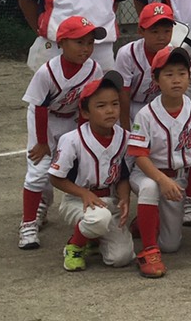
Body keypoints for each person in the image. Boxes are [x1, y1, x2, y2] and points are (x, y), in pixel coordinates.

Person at [127, 45, 191, 278]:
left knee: (171, 245)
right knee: (149, 188)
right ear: (156, 80)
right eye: (168, 74)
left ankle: (144, 222)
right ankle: (148, 251)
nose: (176, 79)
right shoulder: (146, 114)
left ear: (189, 77)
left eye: (181, 73)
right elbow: (139, 155)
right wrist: (161, 180)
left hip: (178, 179)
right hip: (147, 174)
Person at [18, 15, 104, 249]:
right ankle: (28, 223)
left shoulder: (94, 69)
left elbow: (86, 105)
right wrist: (42, 142)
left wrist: (82, 138)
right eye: (79, 42)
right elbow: (40, 107)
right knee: (39, 169)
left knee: (75, 167)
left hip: (72, 119)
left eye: (90, 43)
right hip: (44, 119)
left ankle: (86, 222)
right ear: (62, 43)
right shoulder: (47, 71)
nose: (86, 48)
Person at [48, 72, 136, 272]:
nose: (110, 110)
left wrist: (124, 198)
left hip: (109, 200)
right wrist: (84, 193)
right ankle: (75, 245)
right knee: (99, 219)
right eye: (101, 106)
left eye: (115, 104)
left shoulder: (125, 138)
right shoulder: (72, 140)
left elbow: (123, 175)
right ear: (86, 112)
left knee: (121, 258)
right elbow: (55, 178)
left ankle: (93, 237)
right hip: (77, 200)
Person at [115, 2, 176, 128]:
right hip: (131, 105)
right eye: (155, 31)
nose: (161, 37)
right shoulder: (127, 53)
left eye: (167, 31)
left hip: (159, 104)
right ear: (140, 31)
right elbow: (123, 94)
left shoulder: (173, 53)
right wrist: (125, 128)